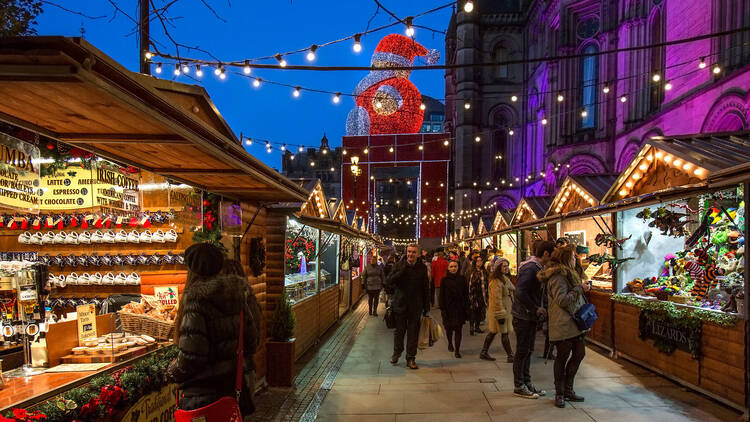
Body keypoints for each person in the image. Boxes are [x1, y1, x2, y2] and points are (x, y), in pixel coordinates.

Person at [168, 244, 259, 417]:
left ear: (192, 269)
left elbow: (192, 356)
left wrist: (172, 371)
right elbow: (252, 342)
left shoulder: (196, 301)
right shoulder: (237, 296)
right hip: (230, 390)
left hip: (202, 395)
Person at [537, 245, 591, 408]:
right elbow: (562, 300)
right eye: (574, 257)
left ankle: (568, 389)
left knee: (579, 353)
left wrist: (581, 288)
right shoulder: (557, 276)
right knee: (562, 357)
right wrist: (579, 289)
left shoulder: (569, 274)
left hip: (575, 322)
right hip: (563, 323)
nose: (576, 260)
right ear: (567, 259)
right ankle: (560, 393)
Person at [511, 240, 556, 399]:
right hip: (523, 316)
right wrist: (535, 308)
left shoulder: (536, 267)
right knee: (522, 351)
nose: (553, 258)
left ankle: (527, 382)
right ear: (545, 254)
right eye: (552, 254)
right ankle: (519, 385)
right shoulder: (531, 268)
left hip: (528, 316)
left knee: (528, 350)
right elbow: (520, 292)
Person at [385, 243, 431, 370]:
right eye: (409, 252)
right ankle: (397, 353)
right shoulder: (399, 265)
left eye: (413, 252)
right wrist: (402, 270)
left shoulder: (422, 268)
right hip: (400, 305)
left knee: (413, 333)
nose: (411, 254)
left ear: (418, 253)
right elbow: (388, 281)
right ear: (406, 252)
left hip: (415, 306)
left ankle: (411, 358)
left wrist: (427, 307)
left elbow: (425, 288)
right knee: (399, 332)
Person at [480, 259, 515, 362]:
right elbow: (496, 299)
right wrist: (500, 314)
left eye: (507, 266)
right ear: (498, 268)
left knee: (493, 331)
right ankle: (510, 355)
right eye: (504, 266)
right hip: (500, 311)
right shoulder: (496, 281)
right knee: (504, 333)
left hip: (505, 310)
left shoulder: (504, 279)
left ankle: (484, 352)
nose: (506, 268)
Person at [439, 260, 470, 358]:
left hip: (459, 308)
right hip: (448, 309)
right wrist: (442, 308)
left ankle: (457, 349)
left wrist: (467, 307)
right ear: (448, 268)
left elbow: (466, 294)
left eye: (455, 266)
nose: (453, 268)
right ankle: (449, 343)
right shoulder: (444, 280)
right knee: (448, 329)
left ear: (458, 267)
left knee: (458, 330)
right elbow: (441, 295)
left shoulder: (462, 279)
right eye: (451, 267)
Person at [468, 256, 487, 335]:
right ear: (475, 262)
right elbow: (469, 284)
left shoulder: (484, 271)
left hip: (482, 294)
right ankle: (472, 328)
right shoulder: (472, 271)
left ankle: (477, 327)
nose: (479, 262)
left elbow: (487, 281)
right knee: (473, 311)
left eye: (480, 260)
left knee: (480, 311)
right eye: (478, 261)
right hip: (474, 294)